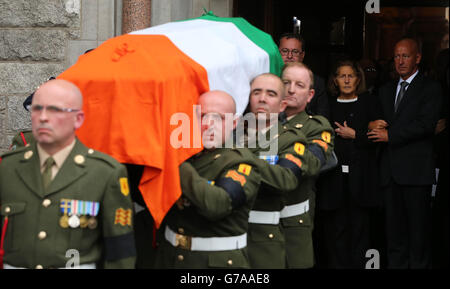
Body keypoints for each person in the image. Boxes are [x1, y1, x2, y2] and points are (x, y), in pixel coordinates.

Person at [0, 79, 136, 269]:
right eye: (37, 109)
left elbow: (119, 251)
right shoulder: (7, 168)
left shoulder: (105, 173)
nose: (43, 117)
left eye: (55, 110)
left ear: (78, 119)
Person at [153, 90, 260, 269]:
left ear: (234, 123)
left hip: (215, 263)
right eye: (202, 116)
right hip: (170, 257)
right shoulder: (187, 155)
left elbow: (218, 204)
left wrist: (176, 163)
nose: (209, 124)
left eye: (218, 118)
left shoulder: (241, 162)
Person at [368, 38, 442, 269]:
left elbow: (426, 124)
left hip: (416, 174)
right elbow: (378, 119)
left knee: (418, 237)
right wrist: (372, 124)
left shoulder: (431, 88)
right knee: (394, 236)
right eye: (397, 56)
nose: (400, 61)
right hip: (390, 174)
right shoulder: (385, 89)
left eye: (406, 56)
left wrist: (391, 135)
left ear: (417, 58)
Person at [243, 73, 320, 268]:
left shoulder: (291, 139)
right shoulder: (230, 136)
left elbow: (287, 180)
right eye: (256, 92)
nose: (262, 98)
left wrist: (239, 158)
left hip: (267, 238)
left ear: (282, 105)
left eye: (271, 94)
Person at [316, 60, 379, 268]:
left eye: (350, 76)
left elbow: (380, 136)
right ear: (335, 80)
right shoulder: (329, 105)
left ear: (358, 78)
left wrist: (355, 134)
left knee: (361, 230)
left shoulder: (369, 102)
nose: (346, 80)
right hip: (333, 179)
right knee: (336, 231)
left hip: (361, 179)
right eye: (342, 76)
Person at [280, 62, 335, 268]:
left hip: (292, 222)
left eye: (299, 85)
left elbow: (311, 164)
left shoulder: (317, 126)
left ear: (310, 95)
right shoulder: (261, 122)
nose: (291, 89)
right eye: (286, 82)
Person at [278, 33, 330, 120]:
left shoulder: (317, 83)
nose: (289, 56)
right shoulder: (269, 79)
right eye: (284, 51)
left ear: (302, 55)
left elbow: (322, 118)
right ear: (278, 53)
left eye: (295, 52)